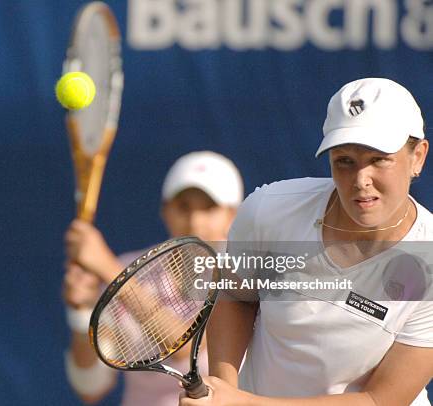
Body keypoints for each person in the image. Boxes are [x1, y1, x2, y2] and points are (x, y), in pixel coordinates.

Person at [179, 78, 433, 406]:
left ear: (418, 157)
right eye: (345, 161)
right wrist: (222, 388)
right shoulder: (270, 211)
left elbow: (380, 400)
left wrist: (242, 403)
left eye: (379, 159)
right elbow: (236, 297)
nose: (360, 180)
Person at [62, 151, 244, 405]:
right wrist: (81, 314)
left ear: (233, 215)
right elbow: (90, 388)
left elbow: (183, 349)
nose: (195, 220)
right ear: (166, 211)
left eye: (209, 208)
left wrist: (110, 271)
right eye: (184, 207)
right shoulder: (128, 268)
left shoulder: (243, 272)